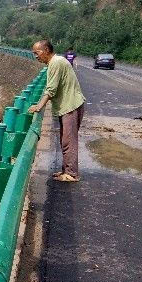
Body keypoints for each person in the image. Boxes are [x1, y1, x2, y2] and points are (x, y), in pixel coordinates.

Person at [29, 40, 86, 182]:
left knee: (68, 141)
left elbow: (51, 89)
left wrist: (39, 106)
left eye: (37, 52)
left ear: (46, 50)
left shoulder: (56, 63)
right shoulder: (56, 62)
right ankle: (66, 170)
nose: (35, 56)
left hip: (70, 106)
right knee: (65, 139)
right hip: (69, 105)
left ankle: (71, 174)